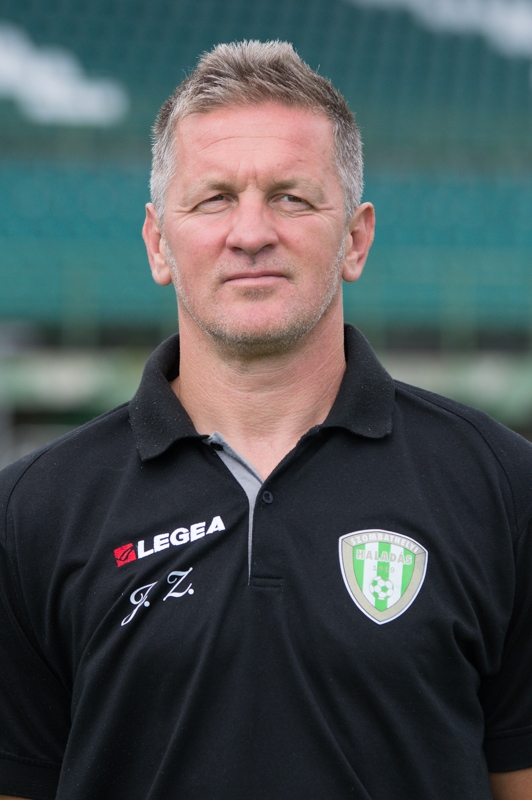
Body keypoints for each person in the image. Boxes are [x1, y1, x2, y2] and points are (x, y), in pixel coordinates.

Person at [0, 40, 531, 800]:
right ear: (158, 243)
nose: (250, 233)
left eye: (291, 197)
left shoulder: (503, 490)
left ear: (355, 240)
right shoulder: (31, 514)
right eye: (214, 198)